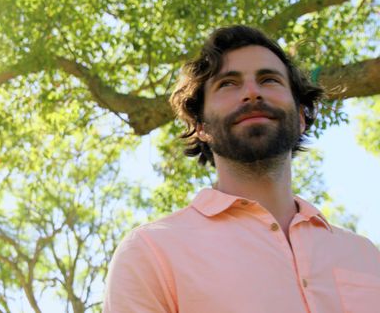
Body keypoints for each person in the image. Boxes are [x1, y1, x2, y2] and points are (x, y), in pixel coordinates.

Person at [103, 25, 380, 313]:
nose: (251, 93)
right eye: (228, 84)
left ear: (300, 116)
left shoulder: (365, 255)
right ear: (201, 127)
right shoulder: (150, 252)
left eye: (269, 79)